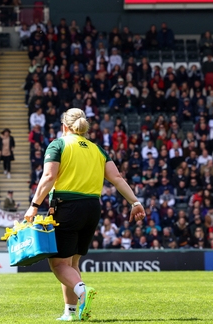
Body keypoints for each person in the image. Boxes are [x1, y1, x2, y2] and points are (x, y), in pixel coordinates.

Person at [24, 108, 146, 321]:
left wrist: (34, 205)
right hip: (92, 209)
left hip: (67, 207)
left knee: (59, 264)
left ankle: (83, 292)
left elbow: (49, 176)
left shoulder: (58, 144)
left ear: (64, 126)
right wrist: (135, 202)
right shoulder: (97, 149)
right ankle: (70, 313)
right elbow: (117, 178)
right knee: (71, 264)